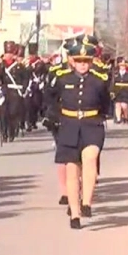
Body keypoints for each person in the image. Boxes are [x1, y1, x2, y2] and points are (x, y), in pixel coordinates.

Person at [43, 35, 110, 229]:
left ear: (91, 61)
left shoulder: (99, 80)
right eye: (79, 61)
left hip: (91, 124)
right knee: (72, 170)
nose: (82, 65)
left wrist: (98, 116)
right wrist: (53, 118)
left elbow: (105, 102)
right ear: (72, 61)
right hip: (69, 124)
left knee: (90, 158)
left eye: (86, 61)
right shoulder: (62, 79)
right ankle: (74, 214)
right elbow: (51, 99)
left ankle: (86, 202)